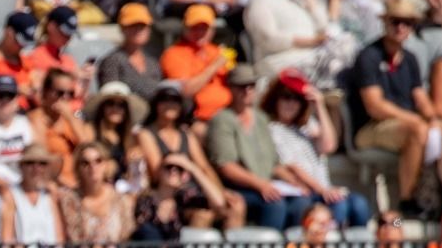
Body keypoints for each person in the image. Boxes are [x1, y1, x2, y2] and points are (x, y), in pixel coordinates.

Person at [347, 0, 434, 212]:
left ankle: (439, 202)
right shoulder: (369, 56)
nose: (401, 27)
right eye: (396, 21)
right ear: (385, 22)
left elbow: (420, 98)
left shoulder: (411, 58)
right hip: (370, 128)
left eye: (407, 23)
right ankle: (407, 200)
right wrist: (416, 120)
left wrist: (437, 120)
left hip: (401, 126)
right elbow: (374, 106)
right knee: (417, 130)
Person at [264, 68, 371, 228]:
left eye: (297, 99)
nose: (291, 104)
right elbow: (292, 166)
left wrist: (319, 105)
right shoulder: (272, 129)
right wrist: (322, 190)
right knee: (339, 207)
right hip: (306, 193)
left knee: (360, 205)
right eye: (286, 97)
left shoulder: (306, 127)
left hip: (324, 190)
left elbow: (329, 146)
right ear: (275, 99)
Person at [209, 64, 311, 229]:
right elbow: (226, 166)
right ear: (231, 88)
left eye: (251, 86)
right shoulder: (222, 120)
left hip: (268, 185)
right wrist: (261, 185)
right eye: (241, 86)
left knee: (302, 202)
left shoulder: (261, 119)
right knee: (274, 205)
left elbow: (274, 165)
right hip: (239, 188)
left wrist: (293, 182)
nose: (247, 90)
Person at [141, 82, 240, 228]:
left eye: (175, 101)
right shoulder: (146, 133)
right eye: (165, 100)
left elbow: (205, 167)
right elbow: (158, 172)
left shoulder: (186, 134)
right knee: (203, 215)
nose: (170, 105)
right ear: (156, 104)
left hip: (192, 189)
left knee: (236, 205)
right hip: (168, 192)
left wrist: (220, 191)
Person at [245, 0, 347, 86]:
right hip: (280, 60)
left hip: (313, 57)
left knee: (345, 49)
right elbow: (267, 38)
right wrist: (311, 41)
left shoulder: (299, 0)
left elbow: (325, 25)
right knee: (334, 62)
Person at [162, 4, 232, 128]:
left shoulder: (217, 51)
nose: (199, 32)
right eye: (194, 27)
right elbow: (186, 90)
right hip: (198, 120)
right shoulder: (174, 53)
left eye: (204, 28)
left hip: (229, 115)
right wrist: (214, 67)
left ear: (212, 30)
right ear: (185, 28)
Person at [87, 81, 155, 193]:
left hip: (124, 190)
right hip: (98, 188)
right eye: (110, 103)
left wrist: (136, 158)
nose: (115, 108)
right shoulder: (91, 130)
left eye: (121, 105)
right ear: (102, 108)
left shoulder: (132, 137)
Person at [29, 69, 90, 188]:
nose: (65, 98)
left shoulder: (72, 120)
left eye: (70, 94)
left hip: (78, 183)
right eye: (60, 93)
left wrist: (70, 118)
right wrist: (67, 184)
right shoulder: (37, 118)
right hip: (53, 184)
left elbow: (88, 149)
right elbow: (41, 157)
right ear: (46, 92)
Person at [97, 4, 162, 101]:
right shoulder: (113, 60)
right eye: (132, 26)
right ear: (122, 29)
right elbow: (109, 98)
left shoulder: (153, 63)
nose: (138, 30)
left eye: (142, 26)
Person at [22, 5, 80, 102]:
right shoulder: (35, 57)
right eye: (65, 33)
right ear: (51, 27)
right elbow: (39, 97)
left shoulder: (69, 60)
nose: (68, 38)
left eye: (70, 34)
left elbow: (79, 97)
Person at [0, 11, 39, 104]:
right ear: (8, 32)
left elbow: (36, 86)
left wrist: (36, 88)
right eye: (19, 42)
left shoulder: (26, 61)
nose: (22, 47)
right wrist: (13, 89)